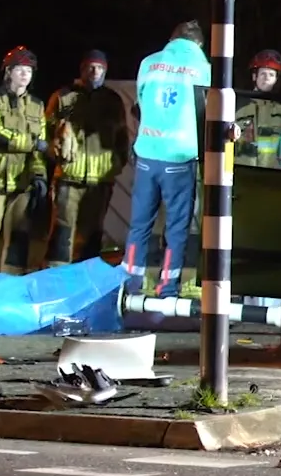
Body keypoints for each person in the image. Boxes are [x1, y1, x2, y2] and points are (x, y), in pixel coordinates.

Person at [123, 21, 209, 297]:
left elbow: (140, 103)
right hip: (181, 157)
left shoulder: (148, 63)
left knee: (139, 224)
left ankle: (130, 284)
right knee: (176, 228)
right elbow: (209, 112)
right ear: (198, 44)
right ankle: (167, 286)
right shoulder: (203, 68)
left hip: (147, 153)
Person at [45, 50, 130, 268]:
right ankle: (55, 278)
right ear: (82, 70)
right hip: (69, 178)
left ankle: (85, 278)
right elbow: (46, 133)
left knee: (92, 235)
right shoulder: (64, 97)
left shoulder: (113, 101)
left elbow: (122, 138)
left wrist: (117, 163)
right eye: (90, 67)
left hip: (100, 181)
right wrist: (56, 153)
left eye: (100, 68)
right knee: (62, 232)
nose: (95, 72)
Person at [0, 47, 48, 276]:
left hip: (22, 183)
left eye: (29, 71)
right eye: (20, 69)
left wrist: (39, 175)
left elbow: (41, 146)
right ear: (8, 72)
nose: (25, 74)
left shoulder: (37, 105)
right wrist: (32, 143)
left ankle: (10, 283)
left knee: (18, 238)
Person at [233, 50, 281, 169]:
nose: (267, 78)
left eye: (271, 75)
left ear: (276, 79)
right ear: (255, 76)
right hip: (243, 172)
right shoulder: (238, 108)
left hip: (272, 174)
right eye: (263, 73)